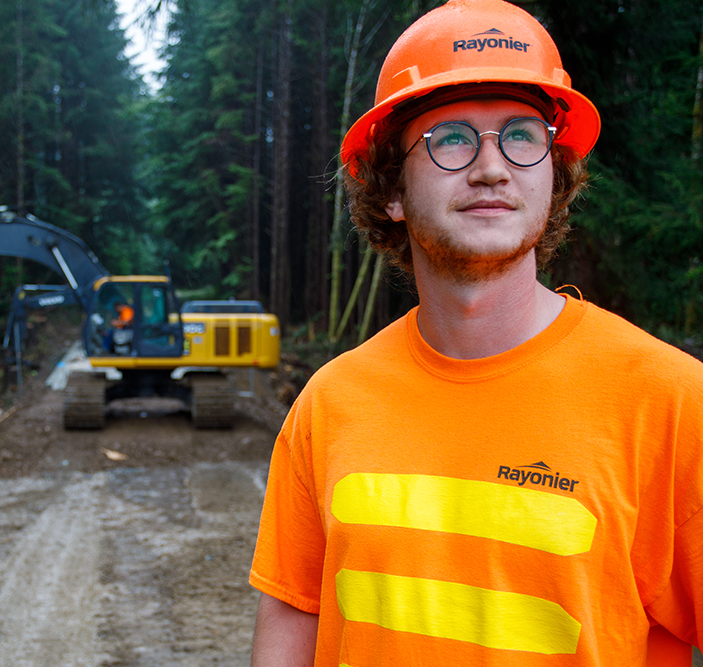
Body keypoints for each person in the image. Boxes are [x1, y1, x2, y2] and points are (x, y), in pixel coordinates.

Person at [248, 1, 703, 665]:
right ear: (392, 190)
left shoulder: (672, 404)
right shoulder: (330, 403)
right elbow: (294, 615)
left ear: (554, 173)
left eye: (521, 135)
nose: (492, 166)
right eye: (452, 138)